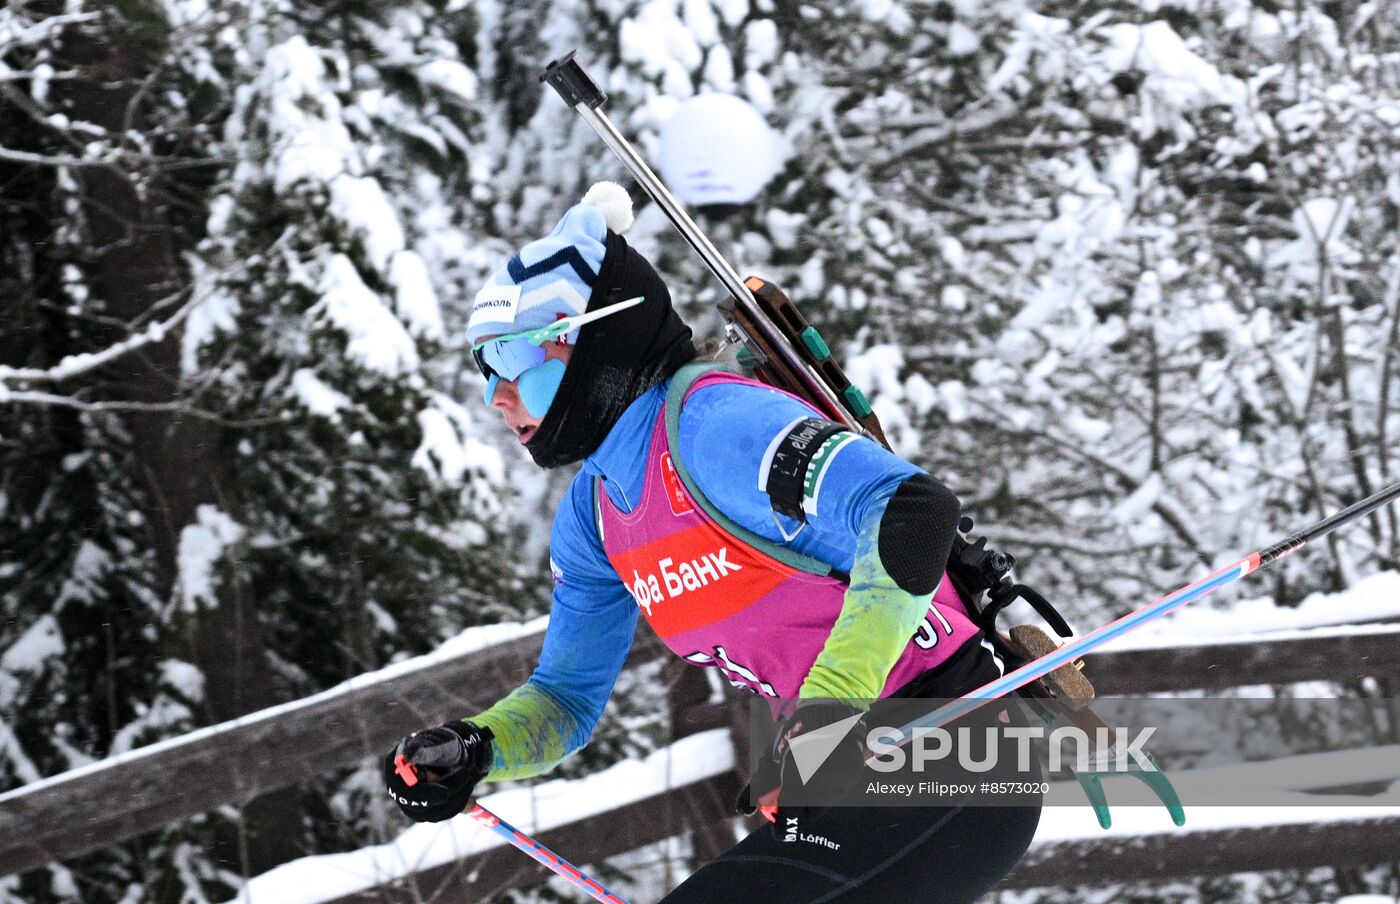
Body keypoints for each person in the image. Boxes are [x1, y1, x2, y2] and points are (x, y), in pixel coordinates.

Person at [384, 182, 1041, 902]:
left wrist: (826, 712)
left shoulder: (714, 426)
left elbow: (913, 508)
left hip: (960, 744)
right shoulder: (595, 516)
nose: (495, 395)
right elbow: (566, 697)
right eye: (485, 368)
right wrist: (478, 749)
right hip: (852, 777)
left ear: (600, 337)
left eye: (513, 359)